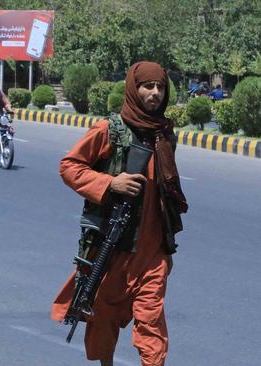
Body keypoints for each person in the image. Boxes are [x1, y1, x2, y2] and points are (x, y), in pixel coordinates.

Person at [50, 61, 188, 366]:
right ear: (133, 88)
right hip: (114, 249)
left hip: (153, 254)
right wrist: (111, 182)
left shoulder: (164, 134)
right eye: (148, 86)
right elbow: (70, 167)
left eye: (160, 87)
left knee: (152, 326)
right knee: (104, 319)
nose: (155, 93)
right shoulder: (110, 129)